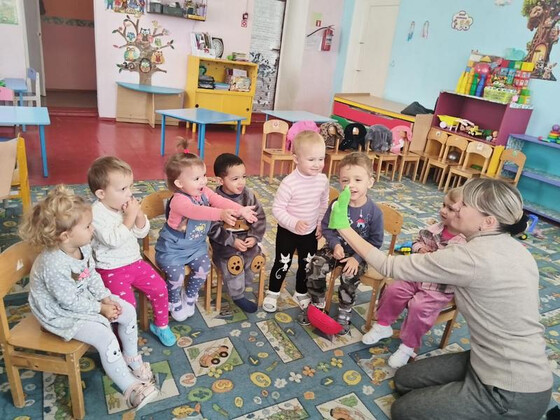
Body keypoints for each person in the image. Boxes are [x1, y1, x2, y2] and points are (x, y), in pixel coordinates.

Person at [328, 178, 552, 420]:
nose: (456, 207)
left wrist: (343, 226)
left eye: (464, 204)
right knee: (404, 379)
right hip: (486, 359)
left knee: (404, 411)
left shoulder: (471, 257)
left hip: (510, 390)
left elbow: (388, 265)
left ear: (487, 222)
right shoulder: (515, 249)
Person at [19, 186, 158, 410]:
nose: (93, 228)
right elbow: (67, 302)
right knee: (105, 337)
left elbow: (91, 274)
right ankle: (131, 388)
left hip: (82, 297)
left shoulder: (82, 246)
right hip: (58, 312)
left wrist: (105, 298)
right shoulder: (53, 263)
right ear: (65, 236)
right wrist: (100, 309)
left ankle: (131, 359)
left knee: (128, 311)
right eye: (87, 226)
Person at [362, 187, 466, 367]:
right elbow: (416, 243)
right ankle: (383, 325)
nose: (443, 210)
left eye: (450, 209)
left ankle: (408, 346)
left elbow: (458, 269)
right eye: (443, 205)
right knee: (393, 289)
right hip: (417, 274)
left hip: (440, 286)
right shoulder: (434, 229)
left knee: (419, 307)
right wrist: (419, 249)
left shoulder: (465, 242)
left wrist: (435, 258)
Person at [155, 139, 258, 321]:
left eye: (203, 175)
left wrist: (240, 210)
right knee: (176, 276)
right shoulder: (179, 200)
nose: (203, 181)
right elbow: (197, 211)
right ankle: (174, 300)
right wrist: (220, 214)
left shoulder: (204, 191)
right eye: (196, 179)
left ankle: (190, 295)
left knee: (203, 268)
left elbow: (220, 200)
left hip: (196, 246)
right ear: (179, 183)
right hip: (173, 248)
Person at [87, 156, 176, 347]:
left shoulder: (123, 207)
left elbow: (141, 232)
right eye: (122, 189)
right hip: (110, 269)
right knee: (126, 308)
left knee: (160, 289)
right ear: (101, 193)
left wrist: (139, 216)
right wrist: (129, 217)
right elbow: (113, 241)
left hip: (135, 262)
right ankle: (120, 341)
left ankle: (161, 325)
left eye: (130, 187)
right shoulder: (96, 214)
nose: (129, 193)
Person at [302, 152, 383, 334]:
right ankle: (318, 303)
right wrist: (335, 244)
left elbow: (375, 241)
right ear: (340, 181)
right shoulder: (337, 204)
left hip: (358, 254)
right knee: (315, 264)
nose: (351, 185)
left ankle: (345, 310)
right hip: (335, 248)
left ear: (370, 182)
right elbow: (327, 227)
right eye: (346, 180)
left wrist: (356, 258)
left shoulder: (374, 212)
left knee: (349, 275)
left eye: (358, 180)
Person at [263, 130, 330, 313]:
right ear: (296, 159)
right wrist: (293, 222)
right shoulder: (289, 183)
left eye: (321, 159)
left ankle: (300, 291)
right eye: (311, 159)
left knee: (306, 264)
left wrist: (320, 224)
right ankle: (273, 292)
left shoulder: (322, 180)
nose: (317, 164)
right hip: (288, 232)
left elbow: (323, 203)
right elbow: (277, 209)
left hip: (310, 232)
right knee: (282, 262)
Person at [208, 153, 267, 313]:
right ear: (220, 180)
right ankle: (237, 295)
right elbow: (212, 227)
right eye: (235, 179)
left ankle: (245, 282)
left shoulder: (248, 195)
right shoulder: (215, 199)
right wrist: (232, 241)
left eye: (243, 177)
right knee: (233, 261)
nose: (241, 182)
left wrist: (254, 237)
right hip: (224, 242)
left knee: (254, 256)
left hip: (246, 237)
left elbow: (260, 217)